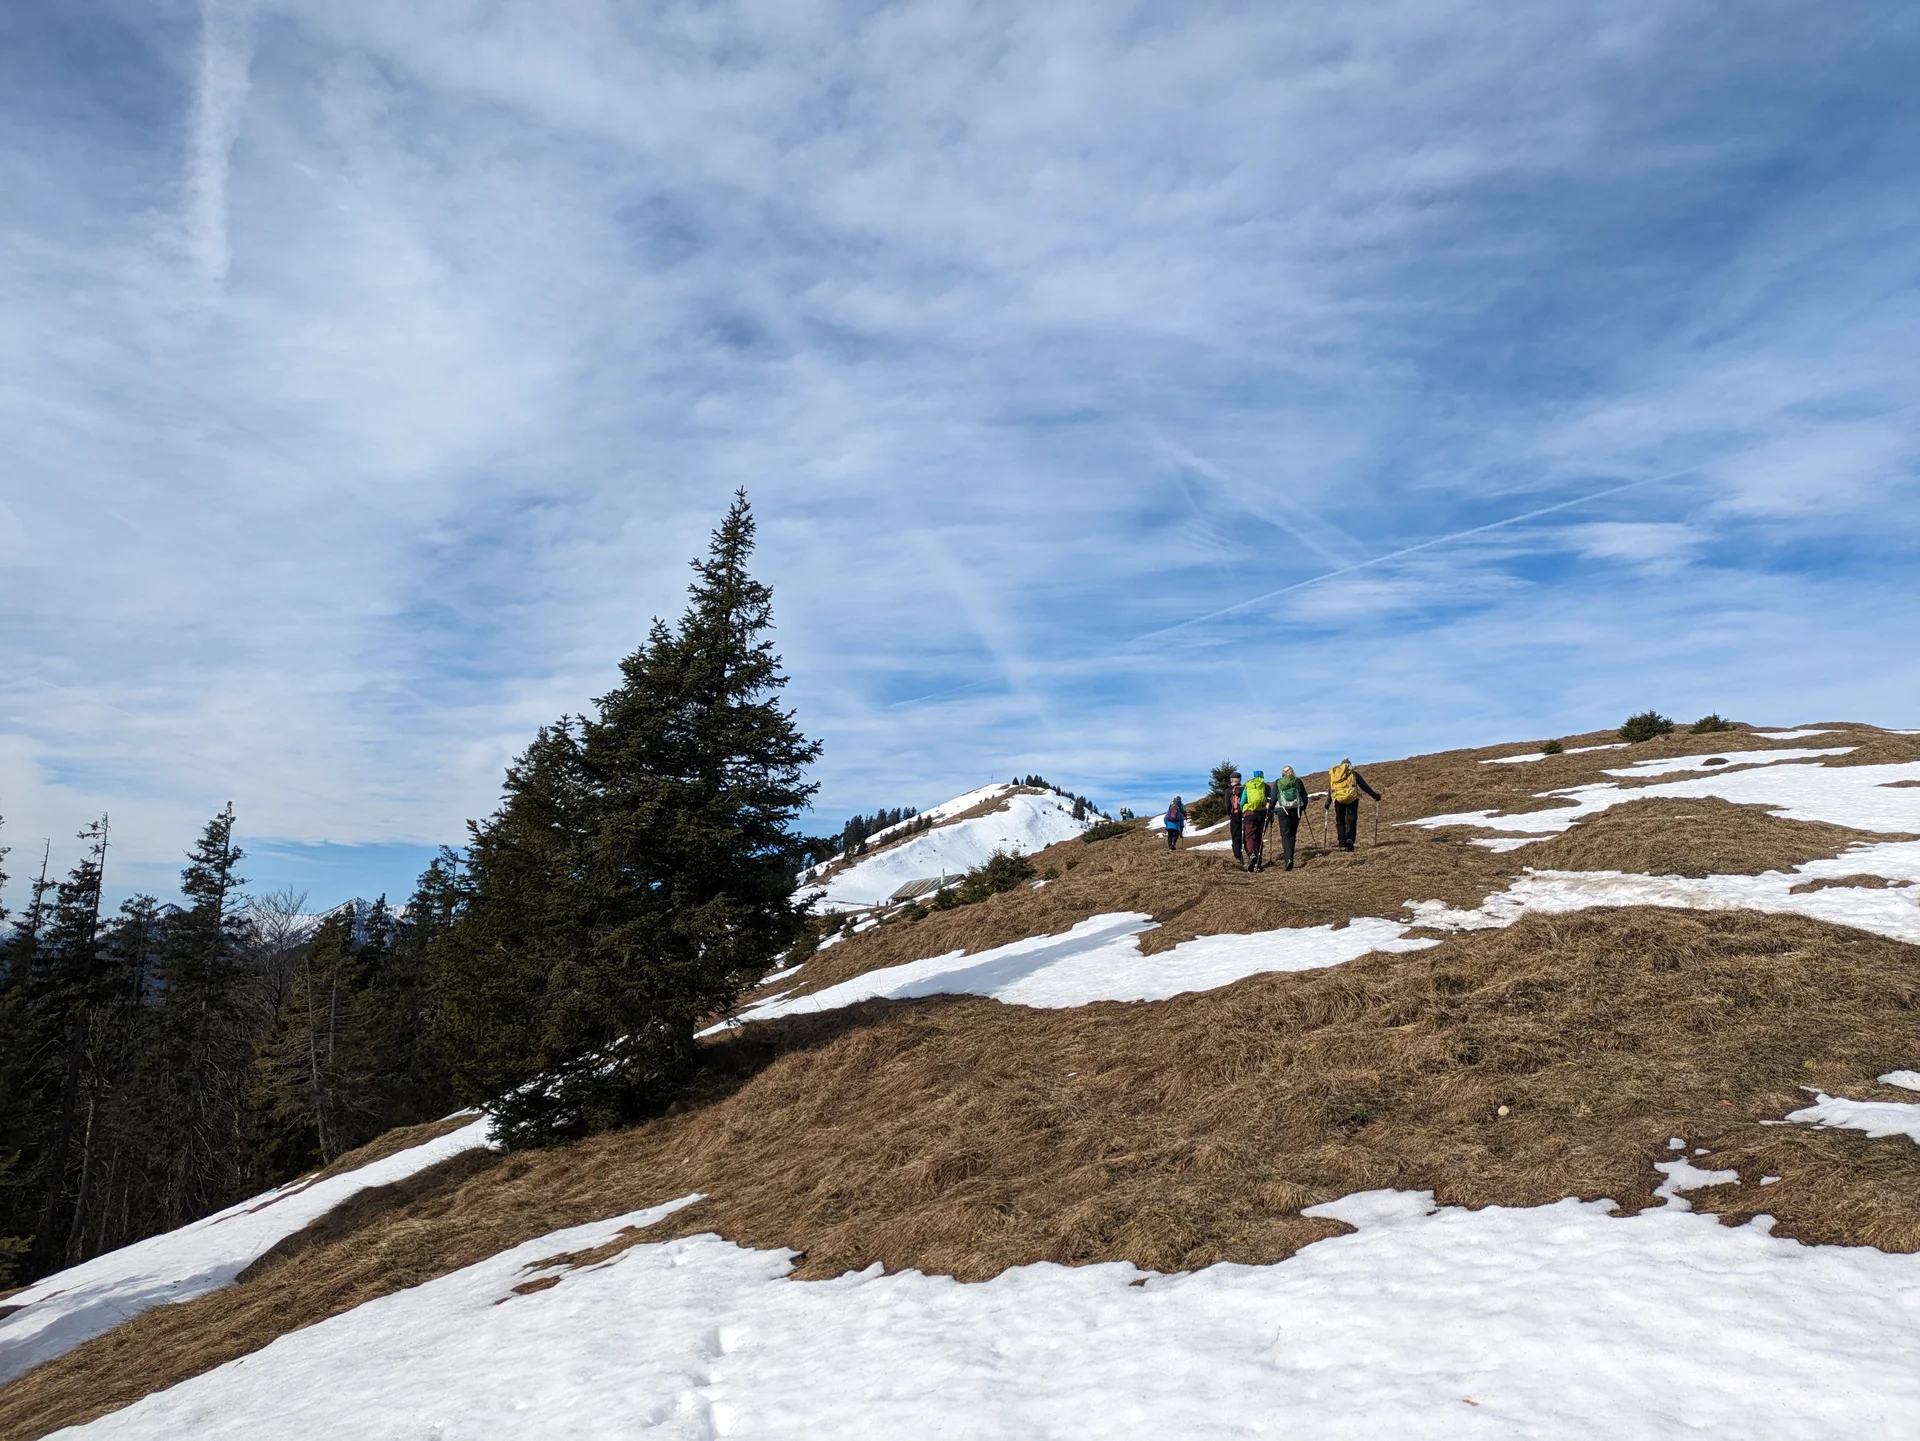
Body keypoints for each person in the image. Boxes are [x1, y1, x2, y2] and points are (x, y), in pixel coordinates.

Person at [1323, 757, 1381, 852]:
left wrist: (1328, 802)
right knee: (1351, 820)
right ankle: (1350, 841)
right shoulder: (1353, 774)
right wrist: (1375, 795)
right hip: (1352, 799)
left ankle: (1342, 843)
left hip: (1338, 800)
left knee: (1340, 822)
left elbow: (1331, 789)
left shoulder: (1336, 775)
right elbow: (1364, 786)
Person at [1272, 765, 1310, 870]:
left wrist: (1272, 810)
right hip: (1295, 809)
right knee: (1292, 834)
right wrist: (1303, 807)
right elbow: (1304, 796)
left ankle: (1287, 859)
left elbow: (1274, 797)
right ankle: (1291, 858)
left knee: (1285, 835)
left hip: (1282, 810)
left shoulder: (1278, 782)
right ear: (1292, 772)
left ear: (1283, 773)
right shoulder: (1297, 781)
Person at [1241, 769, 1272, 871]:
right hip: (1262, 814)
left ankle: (1251, 854)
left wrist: (1244, 811)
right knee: (1259, 836)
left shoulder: (1248, 785)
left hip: (1249, 814)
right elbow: (1270, 801)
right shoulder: (1266, 786)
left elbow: (1242, 801)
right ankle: (1258, 862)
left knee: (1250, 836)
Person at [1226, 771, 1245, 863]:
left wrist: (1230, 814)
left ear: (1231, 780)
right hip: (1245, 814)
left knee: (1235, 836)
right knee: (1246, 835)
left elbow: (1227, 805)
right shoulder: (1244, 789)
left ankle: (1238, 858)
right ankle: (1250, 854)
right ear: (1240, 780)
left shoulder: (1228, 791)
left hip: (1234, 815)